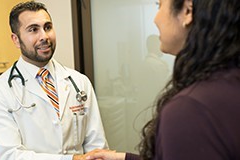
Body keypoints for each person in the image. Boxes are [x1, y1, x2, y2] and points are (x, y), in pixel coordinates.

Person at [86, 0, 240, 159]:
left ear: (187, 11)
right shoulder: (227, 83)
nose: (155, 19)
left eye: (159, 5)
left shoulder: (189, 111)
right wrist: (123, 158)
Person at [0, 1, 108, 160]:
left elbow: (97, 146)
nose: (44, 36)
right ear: (16, 39)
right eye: (33, 30)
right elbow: (9, 155)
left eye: (47, 27)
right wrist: (72, 159)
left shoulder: (79, 82)